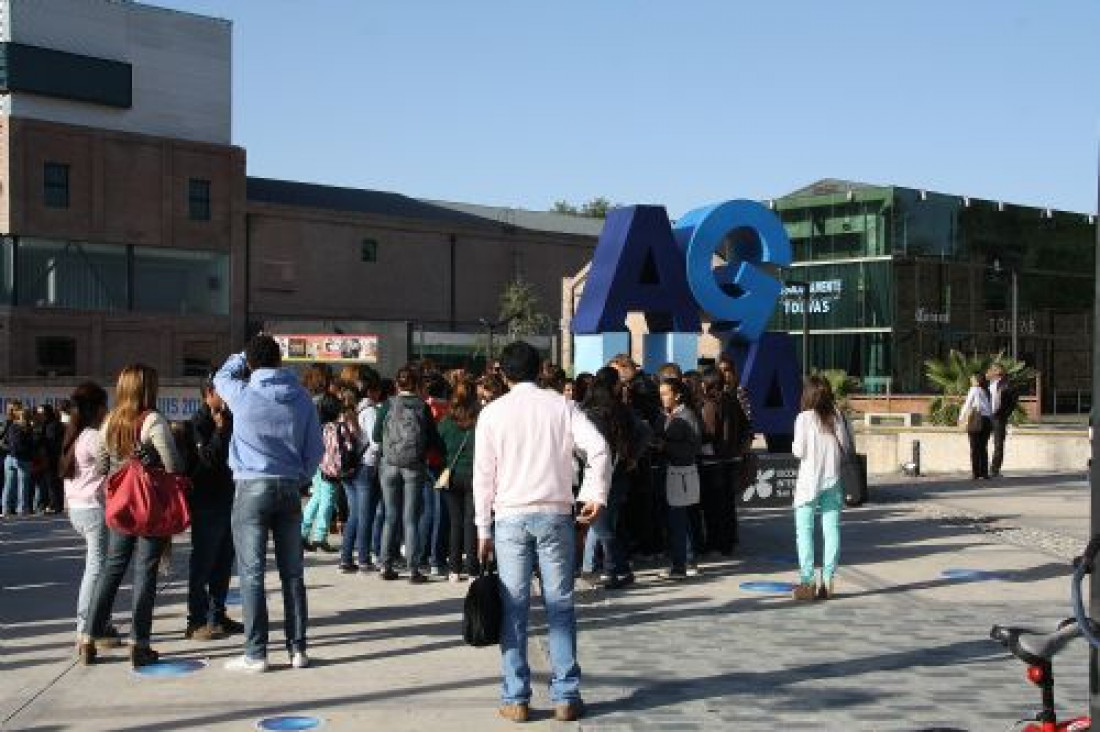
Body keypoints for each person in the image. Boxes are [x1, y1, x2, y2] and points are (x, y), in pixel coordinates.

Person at [474, 341, 611, 723]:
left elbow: (484, 476)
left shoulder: (493, 413)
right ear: (540, 370)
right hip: (555, 512)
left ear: (504, 373)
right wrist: (594, 493)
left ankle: (516, 696)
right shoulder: (563, 406)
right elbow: (599, 448)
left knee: (513, 607)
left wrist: (482, 526)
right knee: (560, 605)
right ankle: (566, 694)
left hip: (510, 515)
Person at [214, 335, 324, 673]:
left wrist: (240, 354)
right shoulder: (302, 398)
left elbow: (220, 376)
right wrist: (300, 476)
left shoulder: (243, 393)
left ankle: (256, 652)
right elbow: (315, 449)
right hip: (289, 487)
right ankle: (298, 649)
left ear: (250, 363)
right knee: (292, 574)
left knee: (252, 574)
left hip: (250, 486)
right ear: (280, 360)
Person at [81, 364, 183, 667]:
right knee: (145, 571)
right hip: (148, 507)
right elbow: (174, 466)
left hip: (119, 507)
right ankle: (139, 643)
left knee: (111, 569)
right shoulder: (153, 421)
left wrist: (120, 466)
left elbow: (100, 468)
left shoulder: (109, 421)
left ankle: (88, 636)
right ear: (147, 389)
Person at [60, 383, 121, 653]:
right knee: (96, 569)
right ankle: (85, 627)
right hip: (93, 509)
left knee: (97, 566)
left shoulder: (73, 436)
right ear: (98, 409)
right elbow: (114, 464)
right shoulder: (94, 437)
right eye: (105, 406)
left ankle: (99, 621)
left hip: (77, 509)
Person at [185, 373, 243, 640]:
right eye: (222, 392)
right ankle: (196, 619)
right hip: (206, 501)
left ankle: (217, 614)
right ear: (208, 393)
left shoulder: (232, 419)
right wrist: (220, 431)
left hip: (230, 498)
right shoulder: (198, 422)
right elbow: (207, 458)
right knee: (204, 562)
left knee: (223, 561)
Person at [372, 365, 443, 583]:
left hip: (389, 464)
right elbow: (432, 439)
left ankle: (385, 565)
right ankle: (414, 569)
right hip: (414, 466)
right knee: (411, 518)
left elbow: (376, 436)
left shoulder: (387, 405)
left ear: (397, 384)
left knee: (390, 517)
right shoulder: (422, 407)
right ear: (417, 384)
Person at [580, 367, 649, 590]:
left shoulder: (587, 412)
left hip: (596, 474)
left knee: (602, 526)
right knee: (610, 524)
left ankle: (611, 570)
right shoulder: (621, 410)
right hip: (618, 474)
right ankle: (622, 569)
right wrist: (632, 456)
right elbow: (645, 432)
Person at [791, 375, 850, 602]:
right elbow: (844, 446)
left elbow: (799, 451)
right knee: (831, 530)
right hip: (833, 480)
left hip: (808, 483)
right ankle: (828, 578)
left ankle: (808, 580)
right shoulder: (837, 416)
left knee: (804, 531)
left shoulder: (803, 418)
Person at [655, 377, 702, 580]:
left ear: (677, 394)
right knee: (680, 520)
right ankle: (687, 561)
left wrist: (665, 447)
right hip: (670, 471)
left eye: (666, 393)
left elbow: (693, 449)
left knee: (679, 521)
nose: (663, 398)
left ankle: (680, 566)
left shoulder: (688, 415)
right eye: (661, 394)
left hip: (681, 473)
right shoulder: (665, 415)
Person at [341, 372, 383, 573]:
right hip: (366, 466)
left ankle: (346, 557)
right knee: (365, 515)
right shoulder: (370, 411)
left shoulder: (352, 409)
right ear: (371, 391)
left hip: (349, 467)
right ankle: (364, 558)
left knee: (355, 514)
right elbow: (375, 443)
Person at [437, 378, 479, 581]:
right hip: (473, 475)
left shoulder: (445, 424)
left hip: (450, 476)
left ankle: (454, 569)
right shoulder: (477, 424)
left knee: (455, 522)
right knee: (471, 522)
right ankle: (472, 568)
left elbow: (436, 448)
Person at [302, 393, 350, 554]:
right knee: (327, 502)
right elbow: (339, 450)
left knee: (316, 499)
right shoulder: (336, 428)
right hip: (329, 469)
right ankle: (320, 537)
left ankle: (302, 532)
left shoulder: (319, 425)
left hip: (317, 466)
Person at [1, 403, 35, 517]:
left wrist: (10, 450)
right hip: (23, 459)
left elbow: (4, 442)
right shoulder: (27, 428)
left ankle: (5, 509)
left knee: (8, 485)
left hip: (10, 458)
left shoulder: (11, 426)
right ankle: (22, 509)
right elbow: (30, 444)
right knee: (23, 485)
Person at [959, 372, 993, 480]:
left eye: (972, 379)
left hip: (977, 419)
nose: (971, 380)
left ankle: (976, 473)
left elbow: (967, 404)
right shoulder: (986, 391)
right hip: (987, 420)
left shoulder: (974, 390)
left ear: (977, 381)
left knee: (974, 447)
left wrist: (961, 418)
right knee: (983, 447)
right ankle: (984, 473)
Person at [987, 364, 1017, 478]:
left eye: (992, 370)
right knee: (981, 443)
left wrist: (1005, 414)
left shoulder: (1006, 384)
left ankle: (995, 469)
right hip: (986, 416)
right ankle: (982, 467)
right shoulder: (986, 384)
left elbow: (1013, 401)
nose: (989, 372)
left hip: (998, 417)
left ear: (998, 372)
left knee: (998, 443)